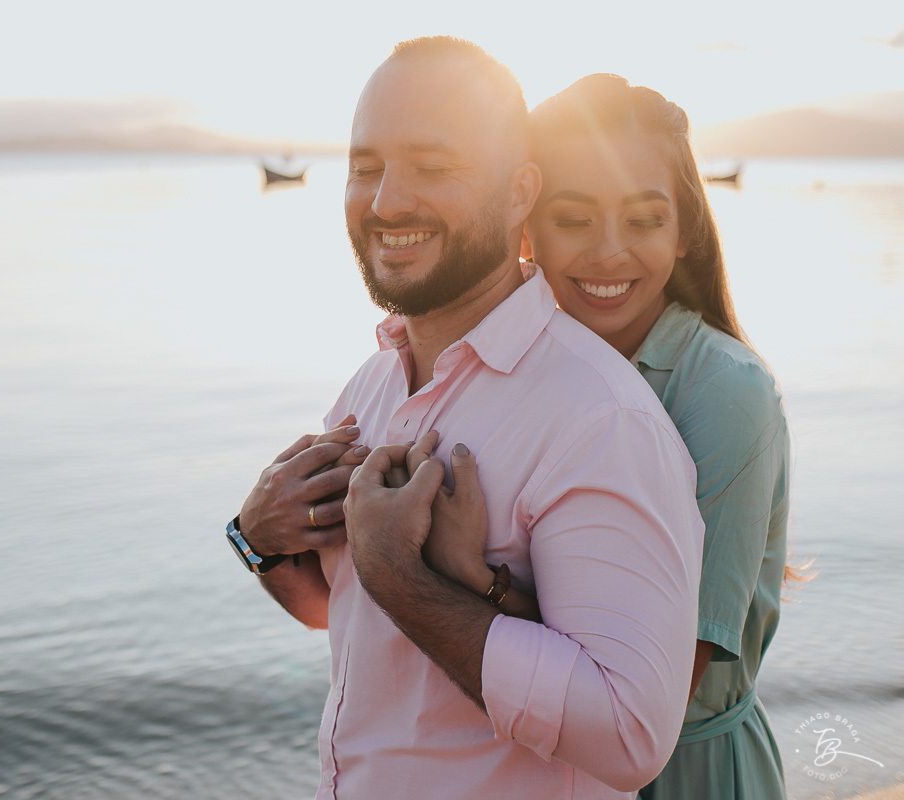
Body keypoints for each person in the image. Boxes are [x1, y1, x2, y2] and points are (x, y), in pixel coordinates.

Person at [226, 37, 705, 798]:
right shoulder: (368, 389)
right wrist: (258, 542)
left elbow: (630, 734)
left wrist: (405, 579)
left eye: (432, 166)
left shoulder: (599, 418)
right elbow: (337, 612)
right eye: (366, 167)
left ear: (519, 194)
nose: (387, 201)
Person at [423, 74, 792, 800]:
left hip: (682, 775)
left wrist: (468, 581)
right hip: (539, 769)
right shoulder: (514, 367)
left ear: (682, 229)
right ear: (526, 225)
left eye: (646, 220)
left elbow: (653, 696)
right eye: (575, 217)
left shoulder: (722, 393)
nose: (611, 253)